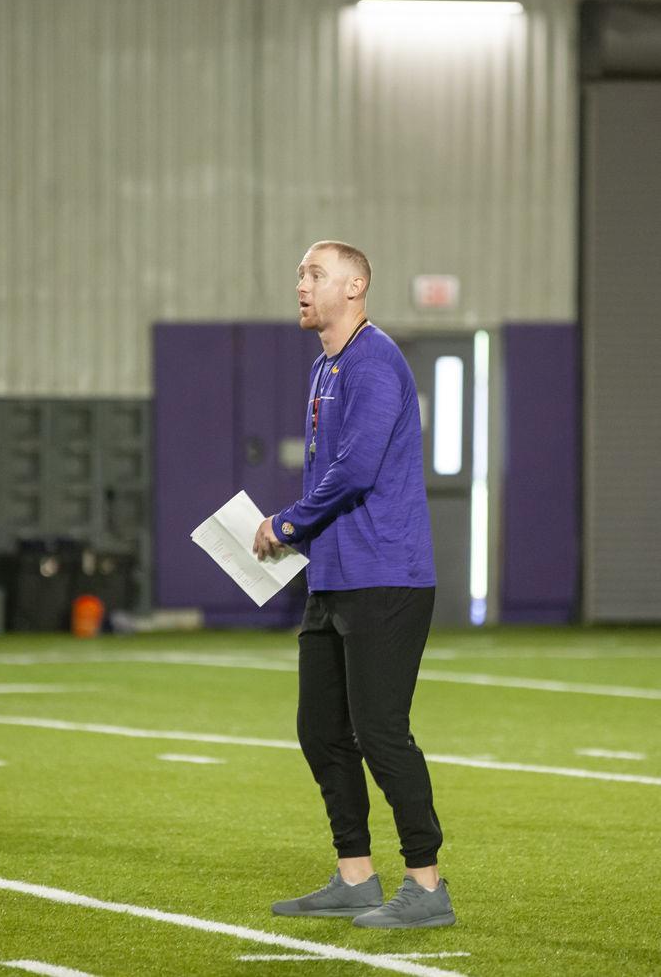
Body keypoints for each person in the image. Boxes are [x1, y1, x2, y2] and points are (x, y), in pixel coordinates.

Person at [252, 240, 455, 930]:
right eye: (301, 274)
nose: (301, 284)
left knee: (381, 732)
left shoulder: (375, 362)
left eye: (315, 274)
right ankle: (356, 875)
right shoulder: (323, 367)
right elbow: (328, 475)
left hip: (386, 578)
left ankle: (426, 885)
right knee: (321, 731)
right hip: (333, 579)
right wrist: (297, 534)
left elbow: (358, 469)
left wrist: (286, 522)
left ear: (356, 285)